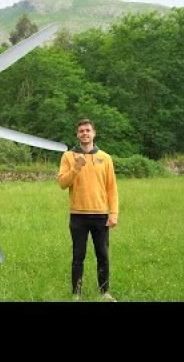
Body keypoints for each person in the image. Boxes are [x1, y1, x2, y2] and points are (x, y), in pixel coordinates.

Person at [57, 118, 119, 301]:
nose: (85, 133)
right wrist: (76, 167)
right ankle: (76, 294)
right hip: (78, 215)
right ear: (77, 135)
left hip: (101, 215)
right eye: (81, 131)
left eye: (88, 130)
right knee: (78, 256)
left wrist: (113, 213)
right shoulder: (68, 156)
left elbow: (112, 189)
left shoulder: (105, 158)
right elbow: (62, 183)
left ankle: (104, 292)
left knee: (103, 255)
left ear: (94, 133)